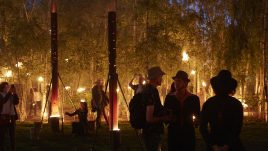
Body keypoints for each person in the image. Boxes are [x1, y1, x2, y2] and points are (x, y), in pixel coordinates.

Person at [199, 70, 244, 151]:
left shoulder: (209, 103)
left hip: (214, 142)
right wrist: (227, 145)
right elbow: (237, 128)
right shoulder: (236, 104)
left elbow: (203, 127)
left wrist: (213, 145)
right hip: (233, 145)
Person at [164, 70, 200, 151]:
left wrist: (196, 121)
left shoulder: (193, 99)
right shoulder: (169, 98)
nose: (176, 83)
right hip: (173, 134)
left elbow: (198, 117)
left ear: (185, 83)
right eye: (175, 81)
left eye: (179, 81)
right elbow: (165, 116)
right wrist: (168, 118)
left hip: (188, 134)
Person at [142, 66, 172, 151]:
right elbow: (149, 118)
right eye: (160, 76)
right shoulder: (151, 92)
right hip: (152, 133)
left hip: (151, 132)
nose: (161, 79)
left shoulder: (149, 90)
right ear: (155, 77)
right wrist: (165, 118)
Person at [0, 82, 19, 151]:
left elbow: (16, 102)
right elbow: (3, 101)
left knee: (12, 135)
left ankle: (13, 148)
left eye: (8, 87)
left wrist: (15, 93)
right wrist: (9, 93)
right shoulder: (1, 95)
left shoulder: (10, 94)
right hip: (3, 116)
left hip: (12, 116)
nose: (8, 88)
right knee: (2, 135)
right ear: (2, 87)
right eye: (6, 87)